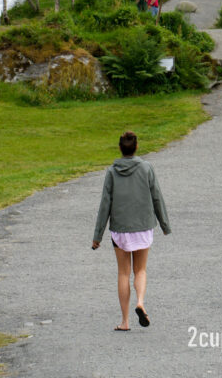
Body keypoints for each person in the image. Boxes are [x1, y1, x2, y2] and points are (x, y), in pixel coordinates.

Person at [92, 130, 171, 331]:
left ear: (120, 148)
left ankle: (125, 321)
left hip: (120, 229)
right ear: (136, 147)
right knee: (141, 270)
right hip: (143, 227)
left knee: (123, 273)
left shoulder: (111, 171)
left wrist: (97, 236)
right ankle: (141, 302)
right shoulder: (146, 168)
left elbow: (105, 204)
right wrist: (164, 224)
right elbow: (157, 197)